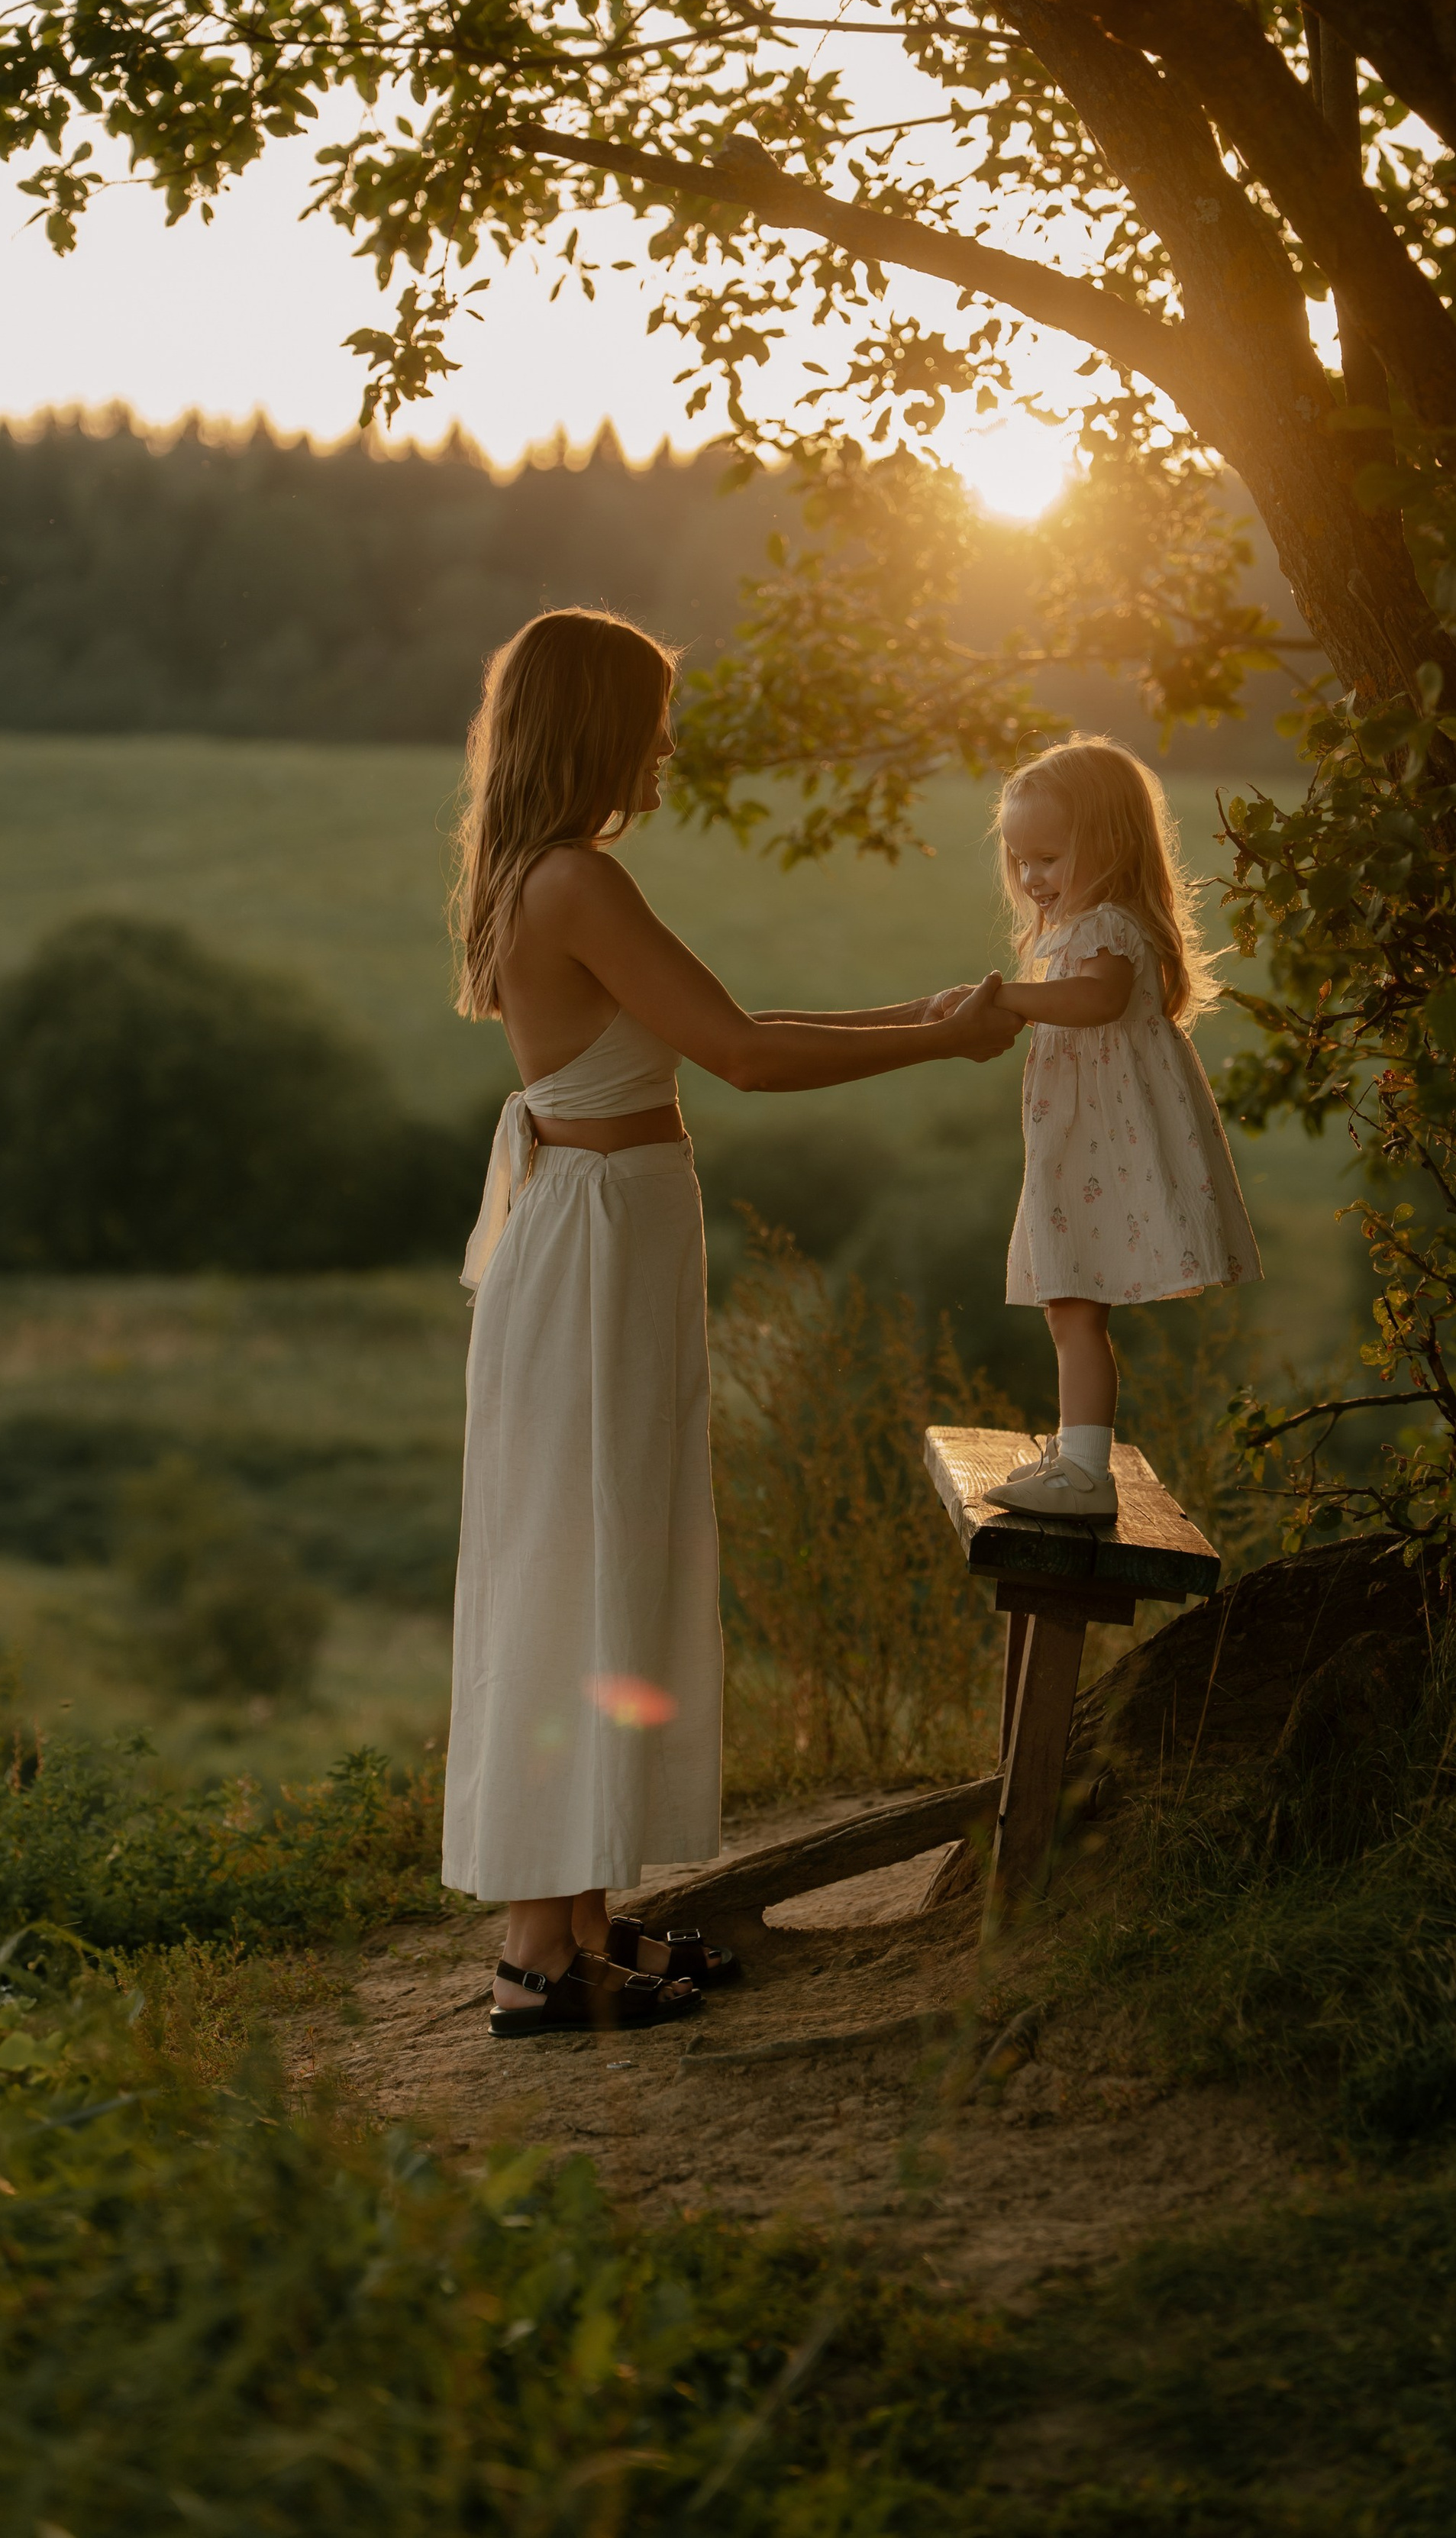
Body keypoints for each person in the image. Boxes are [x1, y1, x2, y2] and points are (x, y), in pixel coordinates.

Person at [443, 606, 1021, 2038]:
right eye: (650, 715)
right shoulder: (574, 881)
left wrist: (925, 1011)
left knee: (604, 1553)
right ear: (597, 724)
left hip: (605, 1243)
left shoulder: (546, 873)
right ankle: (537, 1957)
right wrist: (940, 1039)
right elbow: (747, 1059)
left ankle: (580, 1929)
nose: (665, 741)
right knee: (584, 1560)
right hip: (590, 1255)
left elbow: (729, 1024)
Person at [936, 735, 1261, 1523]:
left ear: (1109, 845)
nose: (1030, 878)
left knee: (1073, 1298)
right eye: (1020, 862)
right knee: (1068, 1300)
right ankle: (1076, 1450)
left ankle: (1084, 1470)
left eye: (1047, 858)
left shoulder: (1105, 927)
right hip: (1086, 1140)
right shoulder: (1085, 926)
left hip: (1101, 1143)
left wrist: (1010, 999)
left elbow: (1098, 1002)